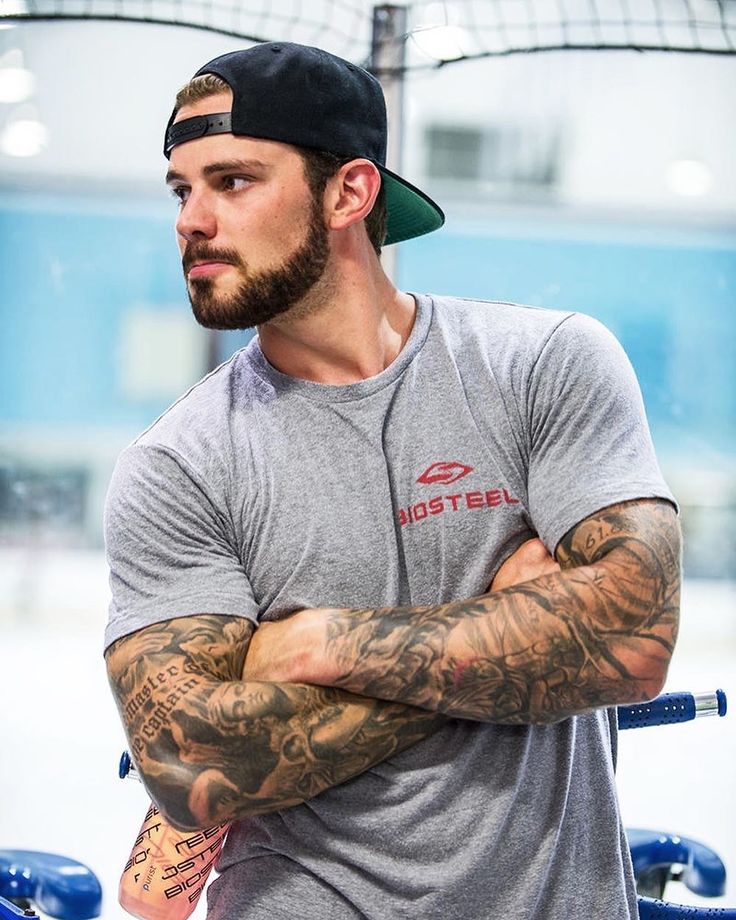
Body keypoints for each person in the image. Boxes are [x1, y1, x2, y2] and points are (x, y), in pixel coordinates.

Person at [104, 41, 681, 920]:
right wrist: (524, 643)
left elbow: (634, 640)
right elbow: (189, 768)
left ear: (350, 192)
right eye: (182, 190)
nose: (191, 218)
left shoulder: (544, 365)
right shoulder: (177, 465)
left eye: (232, 181)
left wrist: (321, 644)